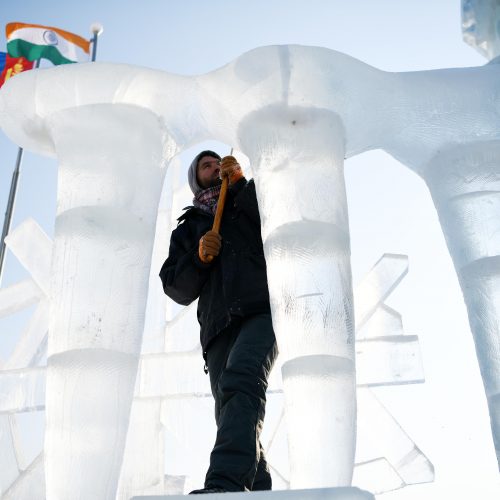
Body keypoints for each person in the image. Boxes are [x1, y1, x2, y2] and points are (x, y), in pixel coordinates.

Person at [159, 151, 278, 494]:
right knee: (231, 408)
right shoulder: (189, 228)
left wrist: (241, 185)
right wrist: (198, 258)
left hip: (261, 309)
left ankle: (224, 485)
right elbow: (175, 286)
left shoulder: (250, 197)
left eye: (218, 163)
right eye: (206, 166)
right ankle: (259, 490)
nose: (214, 167)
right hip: (217, 325)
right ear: (197, 179)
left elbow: (277, 221)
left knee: (242, 378)